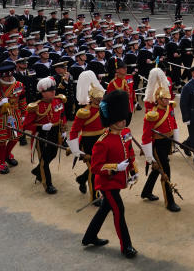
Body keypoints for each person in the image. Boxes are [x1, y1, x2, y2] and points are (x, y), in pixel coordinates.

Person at [82, 89, 138, 259]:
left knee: (105, 208)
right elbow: (95, 167)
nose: (122, 122)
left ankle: (89, 236)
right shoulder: (102, 142)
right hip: (107, 184)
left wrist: (132, 170)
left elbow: (129, 153)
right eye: (119, 119)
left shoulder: (124, 134)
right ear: (111, 119)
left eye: (123, 119)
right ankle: (126, 246)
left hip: (119, 180)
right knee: (118, 211)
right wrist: (115, 167)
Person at [140, 67, 181, 212]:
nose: (167, 100)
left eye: (168, 97)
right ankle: (170, 202)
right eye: (164, 98)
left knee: (159, 169)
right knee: (165, 171)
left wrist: (176, 141)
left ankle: (146, 191)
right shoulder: (152, 114)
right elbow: (145, 136)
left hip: (167, 142)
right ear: (158, 99)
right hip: (157, 144)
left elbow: (174, 124)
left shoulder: (169, 108)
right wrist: (149, 155)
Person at [23, 76, 66, 194]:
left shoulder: (58, 100)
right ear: (42, 93)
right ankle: (48, 185)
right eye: (50, 90)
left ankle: (38, 171)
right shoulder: (36, 106)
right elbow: (26, 125)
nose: (53, 91)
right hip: (41, 135)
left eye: (54, 89)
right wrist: (40, 127)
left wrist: (63, 129)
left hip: (55, 132)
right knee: (44, 161)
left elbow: (62, 115)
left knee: (52, 154)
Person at [67, 71, 106, 202]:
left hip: (101, 140)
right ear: (92, 98)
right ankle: (94, 197)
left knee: (98, 166)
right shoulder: (84, 112)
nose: (100, 99)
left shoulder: (103, 108)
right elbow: (74, 131)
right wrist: (75, 149)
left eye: (101, 97)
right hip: (89, 142)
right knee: (93, 171)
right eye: (97, 98)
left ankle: (81, 179)